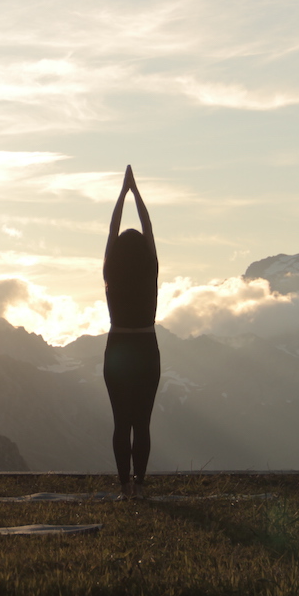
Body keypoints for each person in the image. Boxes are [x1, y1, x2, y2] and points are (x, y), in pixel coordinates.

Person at [103, 165, 161, 497]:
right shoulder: (150, 268)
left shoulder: (111, 269)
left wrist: (121, 195)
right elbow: (148, 227)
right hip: (146, 346)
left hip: (117, 346)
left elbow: (113, 229)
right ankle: (140, 484)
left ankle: (124, 485)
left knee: (121, 421)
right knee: (142, 422)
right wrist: (135, 193)